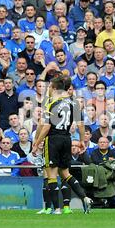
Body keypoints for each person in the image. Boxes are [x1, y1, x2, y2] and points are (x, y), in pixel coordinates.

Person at [32, 76, 93, 214]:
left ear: (54, 88)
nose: (47, 89)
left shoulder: (52, 103)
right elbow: (80, 125)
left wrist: (36, 143)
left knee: (51, 175)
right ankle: (85, 198)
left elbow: (46, 127)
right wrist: (83, 141)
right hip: (67, 139)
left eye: (49, 87)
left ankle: (57, 209)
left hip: (53, 139)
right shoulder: (75, 103)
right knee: (65, 173)